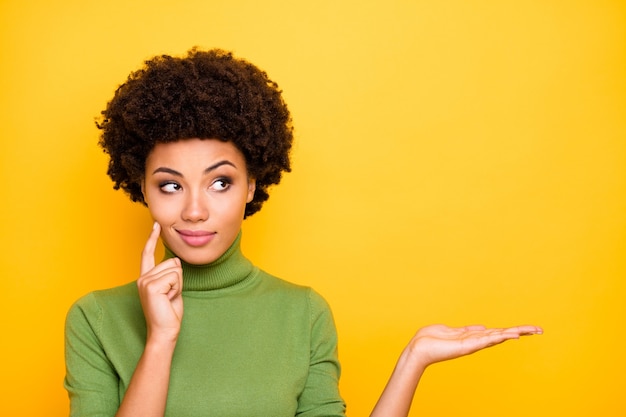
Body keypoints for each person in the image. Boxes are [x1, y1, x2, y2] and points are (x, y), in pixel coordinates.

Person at [64, 48, 542, 417]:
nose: (194, 210)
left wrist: (412, 360)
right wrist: (160, 339)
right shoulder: (96, 319)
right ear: (141, 188)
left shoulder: (303, 314)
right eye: (170, 185)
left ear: (252, 185)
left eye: (220, 182)